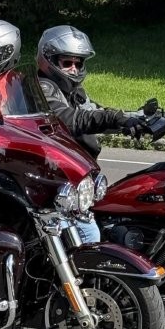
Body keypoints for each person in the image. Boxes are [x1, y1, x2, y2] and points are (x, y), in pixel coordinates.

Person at [36, 25, 144, 243]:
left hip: (78, 179)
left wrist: (138, 117)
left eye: (78, 63)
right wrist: (113, 118)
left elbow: (94, 113)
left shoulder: (73, 92)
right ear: (49, 60)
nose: (74, 69)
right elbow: (69, 119)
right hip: (56, 181)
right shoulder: (43, 89)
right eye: (67, 63)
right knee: (90, 236)